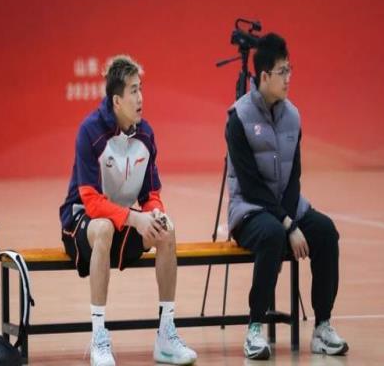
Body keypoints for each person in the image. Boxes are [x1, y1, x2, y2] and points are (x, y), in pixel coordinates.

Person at [59, 55, 197, 366]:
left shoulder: (145, 134)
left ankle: (166, 336)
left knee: (167, 229)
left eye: (141, 88)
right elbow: (91, 201)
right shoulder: (90, 132)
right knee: (104, 227)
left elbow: (150, 194)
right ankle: (98, 337)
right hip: (81, 224)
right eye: (133, 91)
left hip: (123, 219)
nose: (140, 98)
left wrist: (155, 213)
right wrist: (136, 218)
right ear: (117, 100)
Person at [225, 34, 349, 360]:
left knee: (326, 232)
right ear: (264, 76)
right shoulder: (238, 118)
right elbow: (250, 185)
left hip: (287, 207)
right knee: (272, 234)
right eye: (282, 72)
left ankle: (322, 327)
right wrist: (287, 224)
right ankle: (254, 329)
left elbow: (294, 178)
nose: (288, 78)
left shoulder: (293, 115)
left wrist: (291, 218)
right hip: (249, 210)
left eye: (289, 69)